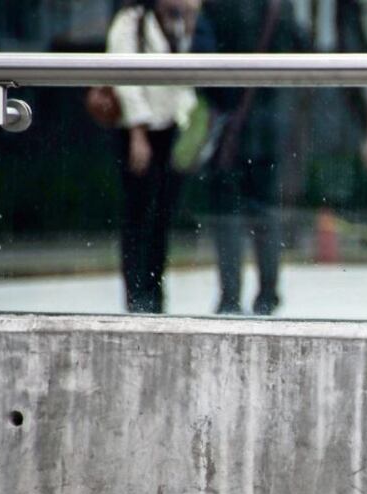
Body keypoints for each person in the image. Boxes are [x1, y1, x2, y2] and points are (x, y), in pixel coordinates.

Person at [195, 0, 304, 316]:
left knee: (228, 209)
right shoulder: (277, 7)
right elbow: (297, 47)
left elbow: (204, 56)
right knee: (264, 209)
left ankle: (230, 296)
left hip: (231, 119)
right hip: (269, 120)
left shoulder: (218, 7)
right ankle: (268, 294)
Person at [108, 0, 200, 313]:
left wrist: (189, 20)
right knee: (138, 215)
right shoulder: (130, 22)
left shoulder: (175, 22)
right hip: (138, 130)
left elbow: (184, 76)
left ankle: (155, 293)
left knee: (161, 215)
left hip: (169, 127)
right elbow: (125, 80)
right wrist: (138, 133)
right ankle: (136, 294)